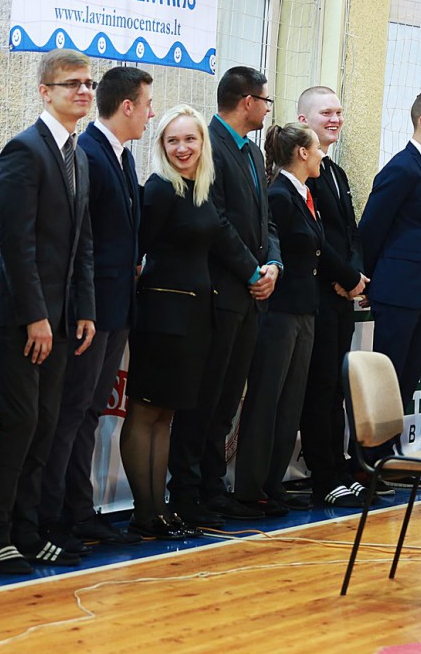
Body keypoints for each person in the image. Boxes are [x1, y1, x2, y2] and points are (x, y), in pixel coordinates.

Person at [0, 48, 96, 574]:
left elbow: (82, 242)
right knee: (21, 425)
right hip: (22, 321)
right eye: (73, 83)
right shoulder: (23, 150)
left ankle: (26, 531)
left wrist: (84, 308)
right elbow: (13, 245)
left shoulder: (79, 154)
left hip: (62, 318)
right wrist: (35, 316)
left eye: (89, 83)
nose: (84, 91)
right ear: (45, 92)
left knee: (45, 426)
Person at [122, 105, 254, 540]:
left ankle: (158, 509)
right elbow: (136, 251)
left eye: (190, 139)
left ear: (202, 143)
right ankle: (145, 512)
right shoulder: (160, 189)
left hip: (194, 317)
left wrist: (257, 271)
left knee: (166, 416)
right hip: (162, 317)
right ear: (161, 146)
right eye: (172, 140)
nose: (182, 148)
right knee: (145, 411)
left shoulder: (199, 188)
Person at [38, 66, 153, 553]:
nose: (150, 114)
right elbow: (81, 241)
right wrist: (86, 307)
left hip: (115, 307)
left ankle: (79, 509)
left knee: (89, 412)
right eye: (147, 105)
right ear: (127, 106)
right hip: (90, 310)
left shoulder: (122, 156)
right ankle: (56, 515)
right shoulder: (89, 152)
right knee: (73, 412)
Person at [167, 67, 281, 525]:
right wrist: (252, 269)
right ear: (247, 101)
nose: (268, 109)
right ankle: (187, 493)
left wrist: (273, 265)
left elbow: (266, 221)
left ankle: (214, 488)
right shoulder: (208, 145)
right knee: (203, 400)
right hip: (218, 294)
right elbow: (216, 221)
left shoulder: (252, 152)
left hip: (252, 295)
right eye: (266, 101)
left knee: (228, 400)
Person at [231, 123, 329, 515]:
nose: (322, 153)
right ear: (302, 153)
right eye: (317, 147)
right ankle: (250, 486)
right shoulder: (280, 195)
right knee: (266, 399)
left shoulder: (305, 193)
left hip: (305, 310)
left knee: (291, 402)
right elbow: (272, 247)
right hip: (280, 312)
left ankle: (273, 483)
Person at [359, 90, 421, 410]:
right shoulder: (402, 167)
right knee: (388, 380)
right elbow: (372, 227)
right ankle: (376, 441)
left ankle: (393, 440)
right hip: (398, 291)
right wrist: (366, 279)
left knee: (408, 379)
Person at [297, 87, 368, 509]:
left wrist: (356, 277)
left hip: (343, 296)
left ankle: (339, 467)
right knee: (319, 387)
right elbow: (316, 240)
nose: (335, 119)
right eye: (326, 112)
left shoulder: (336, 173)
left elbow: (351, 232)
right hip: (319, 295)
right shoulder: (303, 175)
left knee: (336, 387)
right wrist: (344, 277)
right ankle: (322, 475)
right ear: (303, 121)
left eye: (339, 112)